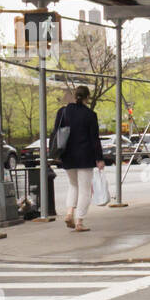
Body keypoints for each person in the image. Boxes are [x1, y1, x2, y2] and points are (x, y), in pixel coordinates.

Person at [54, 86, 106, 232]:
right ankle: (79, 222)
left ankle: (69, 212)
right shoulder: (90, 115)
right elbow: (94, 139)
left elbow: (55, 133)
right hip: (85, 156)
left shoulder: (62, 112)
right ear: (87, 98)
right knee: (85, 190)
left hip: (67, 156)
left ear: (75, 95)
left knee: (73, 185)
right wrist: (99, 159)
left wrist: (57, 153)